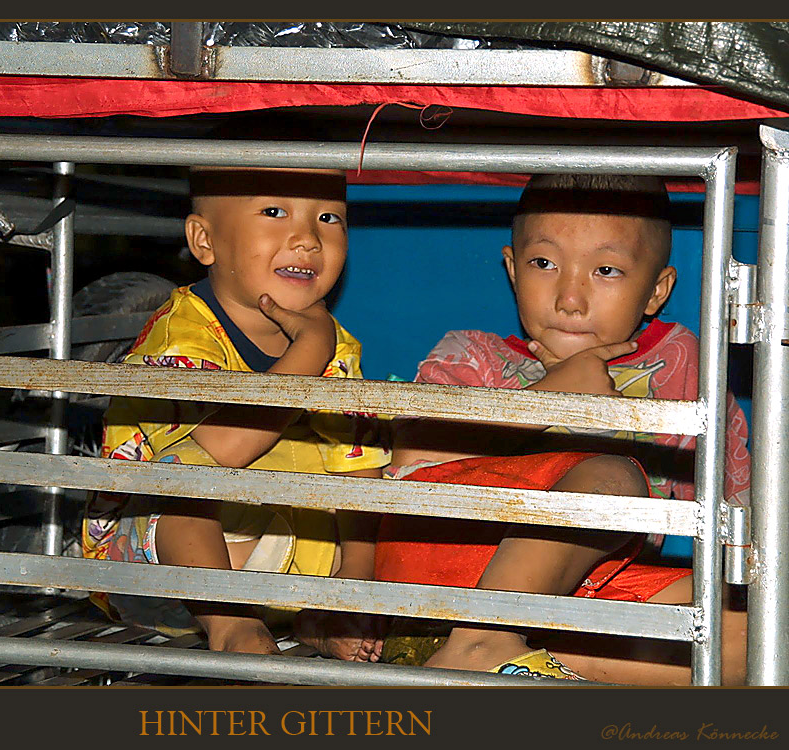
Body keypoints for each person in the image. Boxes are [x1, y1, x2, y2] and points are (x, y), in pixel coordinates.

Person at [375, 174, 749, 684]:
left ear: (656, 290)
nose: (570, 298)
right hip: (448, 588)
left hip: (589, 598)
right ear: (512, 269)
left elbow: (738, 515)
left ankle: (529, 665)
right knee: (614, 482)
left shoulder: (685, 364)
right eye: (544, 264)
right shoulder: (473, 355)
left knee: (750, 633)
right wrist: (551, 401)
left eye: (606, 270)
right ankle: (480, 641)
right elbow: (411, 461)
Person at [81, 164, 391, 662]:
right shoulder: (180, 338)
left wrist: (353, 584)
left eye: (330, 218)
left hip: (285, 554)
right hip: (163, 569)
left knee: (363, 514)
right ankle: (232, 625)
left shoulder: (339, 347)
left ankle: (314, 621)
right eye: (274, 212)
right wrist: (309, 352)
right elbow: (218, 453)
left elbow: (360, 473)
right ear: (205, 241)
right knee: (180, 497)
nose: (308, 239)